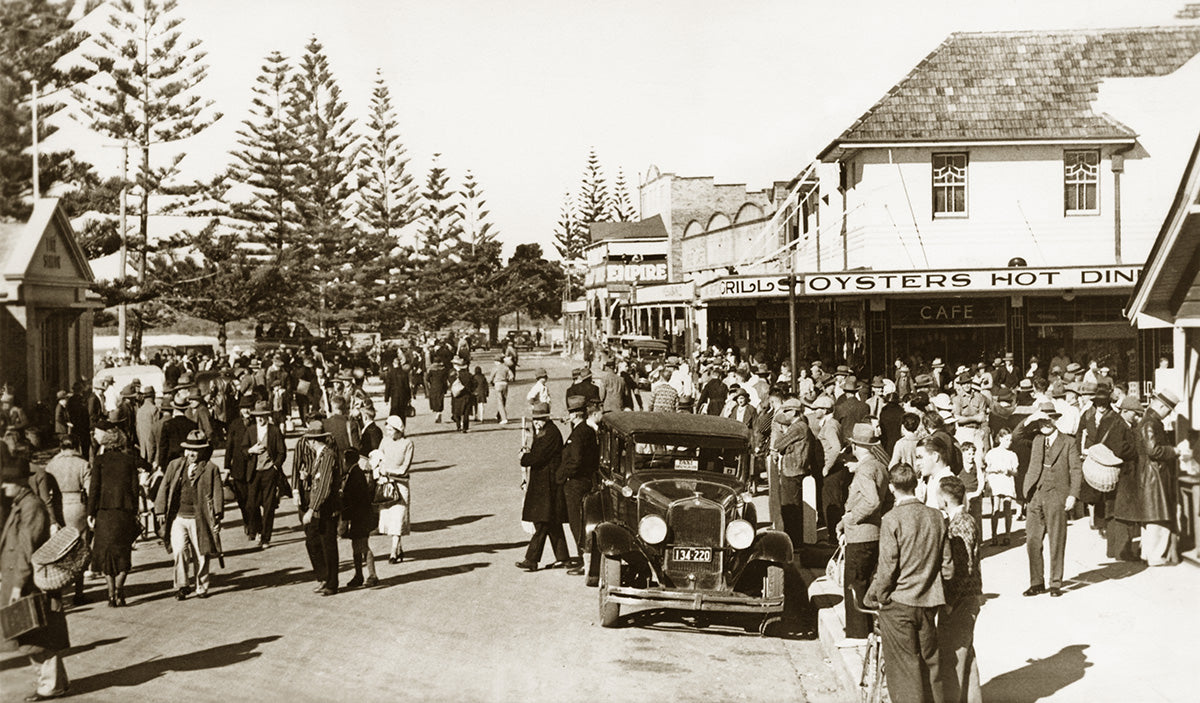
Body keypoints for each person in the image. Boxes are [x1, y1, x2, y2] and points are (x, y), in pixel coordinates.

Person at [865, 462, 953, 703]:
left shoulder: (891, 519)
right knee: (930, 664)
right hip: (929, 602)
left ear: (892, 488)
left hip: (900, 603)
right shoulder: (936, 516)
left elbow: (887, 567)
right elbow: (947, 566)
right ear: (916, 485)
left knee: (905, 669)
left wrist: (880, 596)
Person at [2, 445, 71, 700]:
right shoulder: (22, 505)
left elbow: (25, 548)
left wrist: (17, 586)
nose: (3, 487)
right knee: (34, 636)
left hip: (29, 583)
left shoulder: (31, 507)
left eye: (7, 483)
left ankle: (50, 685)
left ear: (20, 483)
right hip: (22, 581)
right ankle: (56, 682)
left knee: (38, 637)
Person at [1115, 389, 1185, 566]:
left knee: (1152, 517)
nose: (1168, 414)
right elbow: (1153, 450)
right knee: (1157, 518)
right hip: (1155, 477)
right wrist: (1174, 451)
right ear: (1161, 406)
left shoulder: (1148, 421)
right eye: (1168, 411)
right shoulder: (1150, 423)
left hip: (1151, 475)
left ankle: (1148, 554)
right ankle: (1156, 556)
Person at [836, 422, 890, 648]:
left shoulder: (865, 470)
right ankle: (868, 630)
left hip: (860, 534)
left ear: (856, 446)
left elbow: (872, 501)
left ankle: (856, 634)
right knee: (867, 583)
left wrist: (850, 518)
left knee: (854, 582)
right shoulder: (879, 466)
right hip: (874, 533)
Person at [155, 430, 224, 601]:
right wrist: (160, 510)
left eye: (196, 450)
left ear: (202, 451)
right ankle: (182, 585)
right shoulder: (175, 465)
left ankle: (201, 586)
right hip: (178, 517)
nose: (192, 453)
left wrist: (217, 516)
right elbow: (164, 486)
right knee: (179, 551)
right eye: (189, 449)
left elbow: (217, 494)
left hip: (199, 518)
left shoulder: (210, 469)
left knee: (201, 553)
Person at [1022, 401, 1081, 597]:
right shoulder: (1037, 439)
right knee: (1032, 541)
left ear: (1055, 420)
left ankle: (1055, 583)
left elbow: (1075, 470)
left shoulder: (1068, 442)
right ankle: (1036, 582)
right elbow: (1017, 435)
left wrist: (1073, 495)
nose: (1045, 424)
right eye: (1041, 421)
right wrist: (1031, 418)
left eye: (1048, 420)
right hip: (1035, 495)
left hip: (1057, 495)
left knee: (1056, 540)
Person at [938, 475, 983, 703]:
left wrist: (949, 602)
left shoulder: (961, 523)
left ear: (945, 499)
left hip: (962, 600)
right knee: (966, 654)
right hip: (967, 598)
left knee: (956, 657)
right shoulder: (962, 520)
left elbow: (963, 569)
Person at [515, 402, 570, 571]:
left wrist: (524, 457)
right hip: (544, 483)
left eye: (539, 419)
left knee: (542, 522)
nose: (536, 422)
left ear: (545, 419)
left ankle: (531, 559)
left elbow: (538, 457)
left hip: (547, 484)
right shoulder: (546, 432)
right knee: (552, 522)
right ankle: (563, 558)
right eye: (535, 419)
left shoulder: (550, 434)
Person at [294, 421, 341, 595]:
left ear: (312, 441)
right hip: (318, 508)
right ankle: (323, 576)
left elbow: (324, 486)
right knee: (312, 542)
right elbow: (318, 481)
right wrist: (307, 477)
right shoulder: (320, 456)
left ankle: (331, 582)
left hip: (326, 509)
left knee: (328, 545)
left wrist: (311, 510)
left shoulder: (328, 456)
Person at [43, 438, 91, 603]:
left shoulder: (51, 465)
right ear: (76, 446)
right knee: (80, 548)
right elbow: (89, 489)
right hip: (77, 506)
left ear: (60, 447)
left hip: (58, 505)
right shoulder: (83, 463)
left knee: (59, 549)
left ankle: (58, 591)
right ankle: (79, 592)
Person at [557, 396, 598, 576]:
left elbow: (576, 460)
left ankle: (585, 561)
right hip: (586, 480)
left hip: (576, 484)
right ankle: (585, 558)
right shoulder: (587, 430)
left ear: (575, 414)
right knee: (581, 521)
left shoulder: (579, 433)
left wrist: (563, 476)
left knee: (577, 523)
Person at [773, 397, 817, 547]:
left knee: (790, 508)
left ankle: (793, 542)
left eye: (786, 411)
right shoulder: (802, 426)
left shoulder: (797, 427)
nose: (784, 414)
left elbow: (778, 444)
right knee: (792, 508)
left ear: (794, 412)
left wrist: (782, 443)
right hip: (795, 469)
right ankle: (794, 540)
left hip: (792, 471)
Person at [245, 401, 288, 549]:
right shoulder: (250, 430)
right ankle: (256, 529)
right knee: (251, 504)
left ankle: (265, 537)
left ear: (267, 416)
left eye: (262, 416)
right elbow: (243, 449)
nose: (260, 419)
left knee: (269, 506)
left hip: (269, 472)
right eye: (257, 416)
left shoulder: (274, 431)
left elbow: (282, 452)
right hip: (254, 472)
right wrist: (251, 450)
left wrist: (275, 467)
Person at [373, 416, 414, 564]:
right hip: (386, 485)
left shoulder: (408, 444)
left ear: (398, 430)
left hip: (401, 485)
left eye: (390, 430)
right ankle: (398, 548)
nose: (388, 432)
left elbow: (405, 467)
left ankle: (392, 553)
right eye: (387, 429)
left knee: (398, 517)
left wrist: (389, 471)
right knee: (390, 520)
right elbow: (378, 458)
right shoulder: (384, 441)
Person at [339, 448, 378, 588]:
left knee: (362, 545)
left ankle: (372, 575)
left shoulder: (355, 474)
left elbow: (355, 498)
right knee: (356, 546)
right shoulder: (354, 473)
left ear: (346, 460)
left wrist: (343, 497)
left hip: (361, 516)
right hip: (358, 517)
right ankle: (359, 575)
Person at [224, 396, 256, 539]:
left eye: (249, 408)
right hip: (238, 467)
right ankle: (247, 522)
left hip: (254, 467)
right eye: (243, 408)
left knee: (253, 500)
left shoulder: (257, 423)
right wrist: (226, 466)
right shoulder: (235, 424)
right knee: (242, 500)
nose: (246, 411)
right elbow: (229, 446)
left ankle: (254, 525)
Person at [983, 427, 1018, 545]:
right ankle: (994, 536)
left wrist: (1010, 471)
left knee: (1007, 508)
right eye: (1007, 440)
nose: (1009, 442)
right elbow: (987, 469)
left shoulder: (1012, 454)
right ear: (1001, 439)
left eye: (1011, 440)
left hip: (1007, 481)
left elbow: (1016, 472)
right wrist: (994, 469)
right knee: (996, 509)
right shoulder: (992, 453)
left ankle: (1007, 535)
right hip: (996, 482)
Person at [449, 356, 474, 433]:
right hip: (467, 395)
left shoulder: (454, 374)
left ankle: (458, 426)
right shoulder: (469, 375)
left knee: (457, 411)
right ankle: (465, 427)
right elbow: (475, 383)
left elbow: (450, 383)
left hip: (457, 395)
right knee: (466, 412)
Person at [490, 357, 515, 424]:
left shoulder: (495, 368)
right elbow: (512, 376)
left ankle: (504, 418)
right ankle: (499, 415)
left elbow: (491, 378)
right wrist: (508, 379)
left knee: (499, 402)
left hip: (498, 384)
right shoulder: (506, 367)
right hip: (505, 384)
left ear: (497, 361)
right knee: (503, 400)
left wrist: (491, 383)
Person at [426, 359, 447, 423]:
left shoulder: (431, 370)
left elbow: (427, 378)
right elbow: (445, 379)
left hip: (433, 386)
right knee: (440, 399)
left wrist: (431, 382)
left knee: (434, 399)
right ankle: (439, 412)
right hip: (441, 386)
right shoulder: (443, 370)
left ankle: (436, 412)